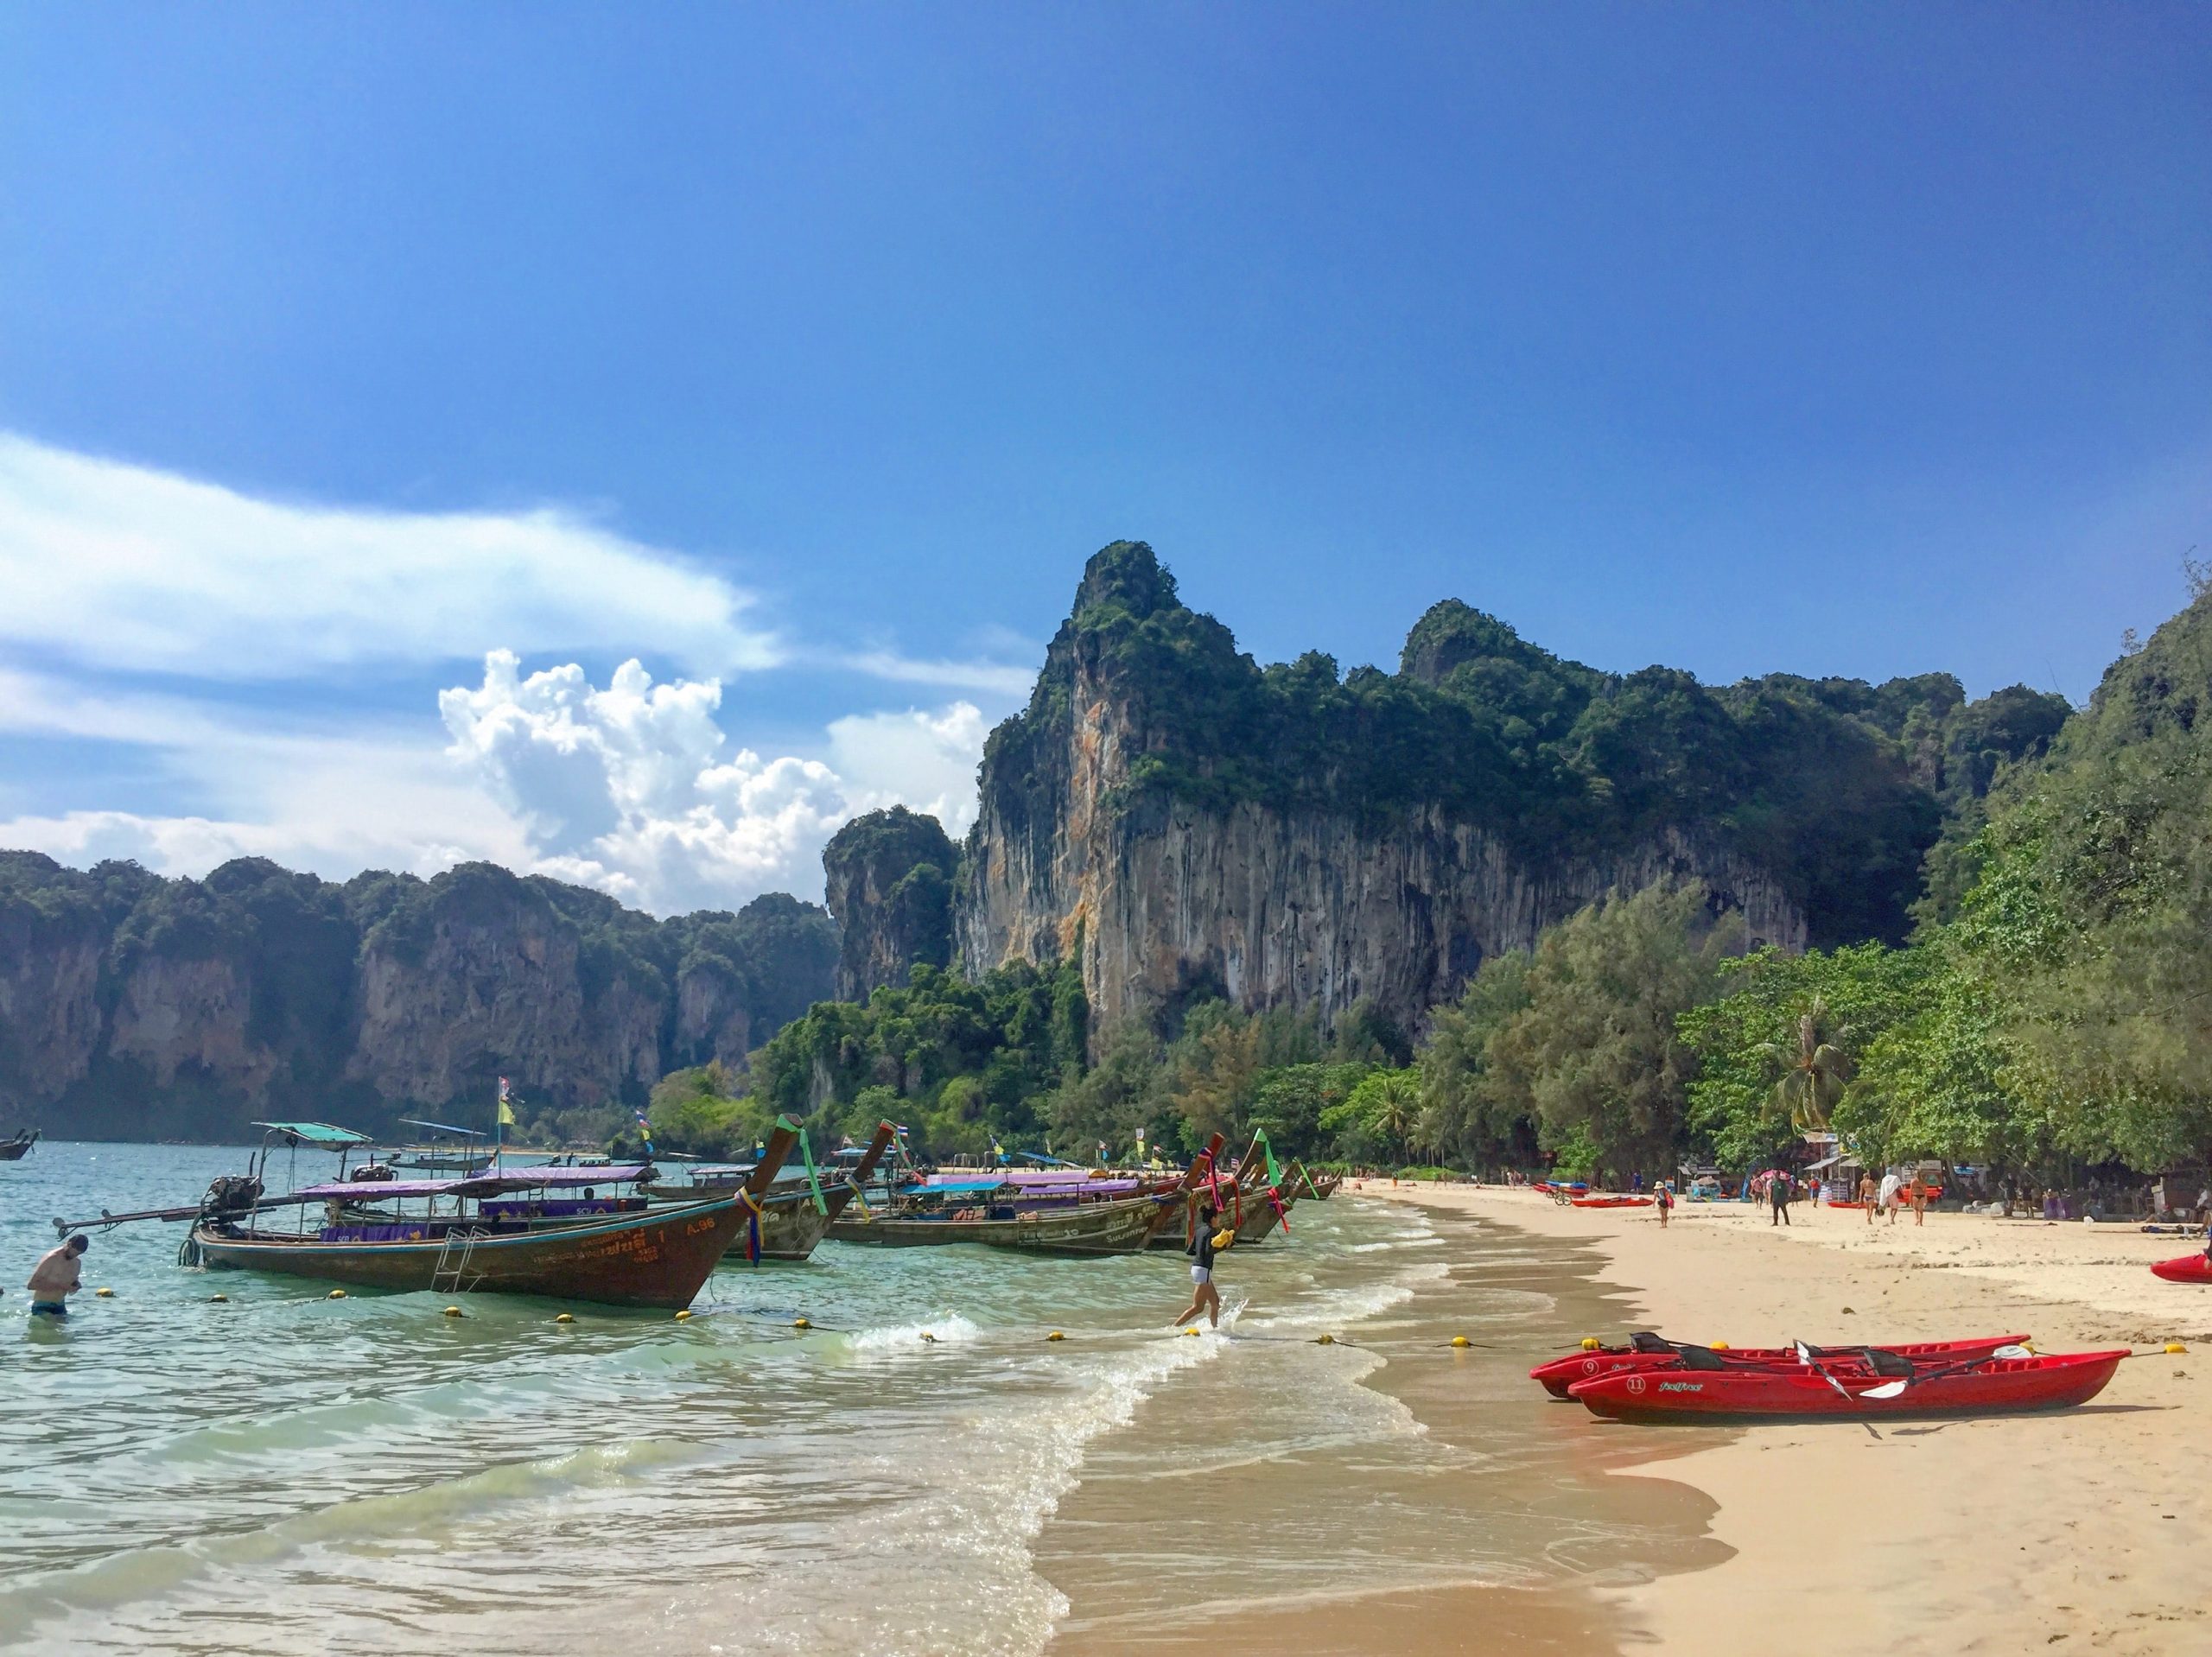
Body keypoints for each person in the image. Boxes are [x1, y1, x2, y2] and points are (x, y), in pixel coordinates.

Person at [1173, 1203, 1226, 1329]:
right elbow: (1209, 1251)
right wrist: (1224, 1246)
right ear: (1213, 1218)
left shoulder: (1200, 1230)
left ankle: (1214, 1330)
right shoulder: (1212, 1232)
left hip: (1196, 1268)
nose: (1219, 1220)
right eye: (1218, 1217)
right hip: (1203, 1270)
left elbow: (1190, 1251)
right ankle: (1173, 1328)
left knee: (1215, 1303)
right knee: (1197, 1307)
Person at [28, 1234, 86, 1319]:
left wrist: (76, 1286)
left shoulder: (77, 1263)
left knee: (62, 1332)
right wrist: (60, 1286)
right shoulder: (51, 1258)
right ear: (69, 1244)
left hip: (60, 1305)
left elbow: (71, 1291)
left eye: (78, 1254)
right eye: (74, 1253)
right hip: (42, 1305)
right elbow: (31, 1285)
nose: (75, 1256)